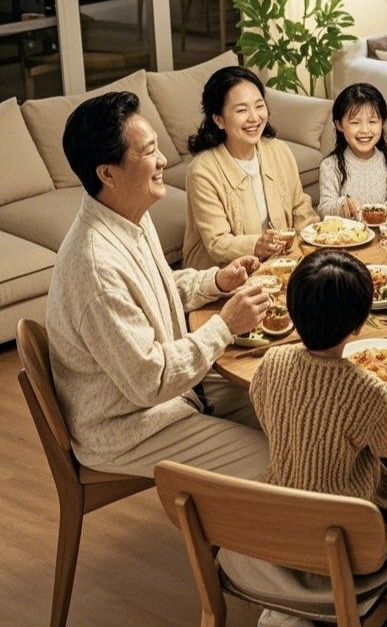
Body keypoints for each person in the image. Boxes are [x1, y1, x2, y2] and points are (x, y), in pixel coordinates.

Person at [218, 249, 387, 627]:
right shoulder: (364, 388)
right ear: (359, 325)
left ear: (291, 312)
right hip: (348, 541)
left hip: (282, 524)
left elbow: (267, 411)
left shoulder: (270, 364)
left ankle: (291, 604)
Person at [46, 91, 272, 480]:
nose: (163, 160)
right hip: (131, 426)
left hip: (177, 393)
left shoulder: (126, 213)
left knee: (294, 408)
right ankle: (237, 537)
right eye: (149, 151)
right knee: (286, 463)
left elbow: (154, 286)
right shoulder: (96, 267)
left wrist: (216, 280)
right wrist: (225, 325)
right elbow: (150, 381)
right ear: (107, 173)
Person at [183, 66, 317, 270]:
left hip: (280, 264)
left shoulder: (279, 150)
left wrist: (317, 239)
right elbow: (217, 244)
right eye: (242, 110)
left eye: (259, 106)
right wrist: (256, 245)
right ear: (219, 120)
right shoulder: (202, 171)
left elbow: (300, 209)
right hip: (226, 275)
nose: (255, 117)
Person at [317, 82, 387, 218]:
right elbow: (324, 209)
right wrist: (342, 205)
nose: (365, 130)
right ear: (339, 125)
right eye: (355, 123)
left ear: (382, 122)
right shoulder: (330, 166)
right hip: (346, 237)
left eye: (372, 122)